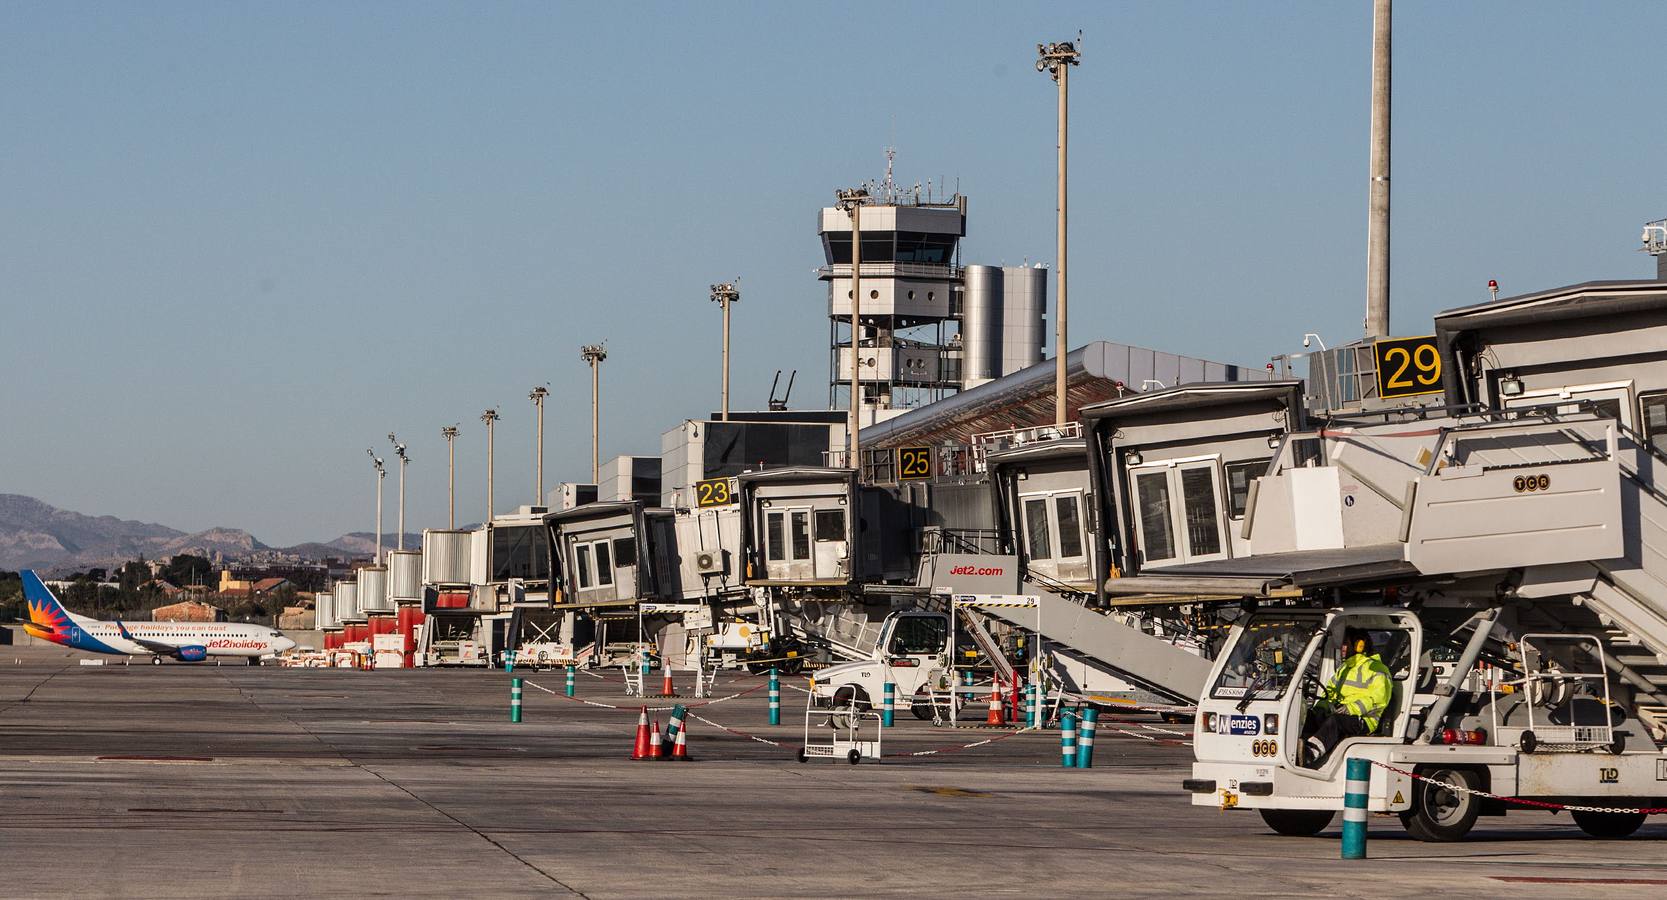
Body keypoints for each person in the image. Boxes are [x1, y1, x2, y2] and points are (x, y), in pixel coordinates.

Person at [1302, 628, 1393, 767]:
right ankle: (1296, 747)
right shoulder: (1344, 668)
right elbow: (1330, 692)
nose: (1342, 648)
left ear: (1359, 646)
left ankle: (1309, 754)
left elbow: (1378, 700)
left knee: (1335, 721)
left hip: (1365, 720)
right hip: (1342, 714)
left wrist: (1349, 709)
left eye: (1346, 644)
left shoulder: (1377, 668)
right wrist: (1321, 708)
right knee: (1308, 716)